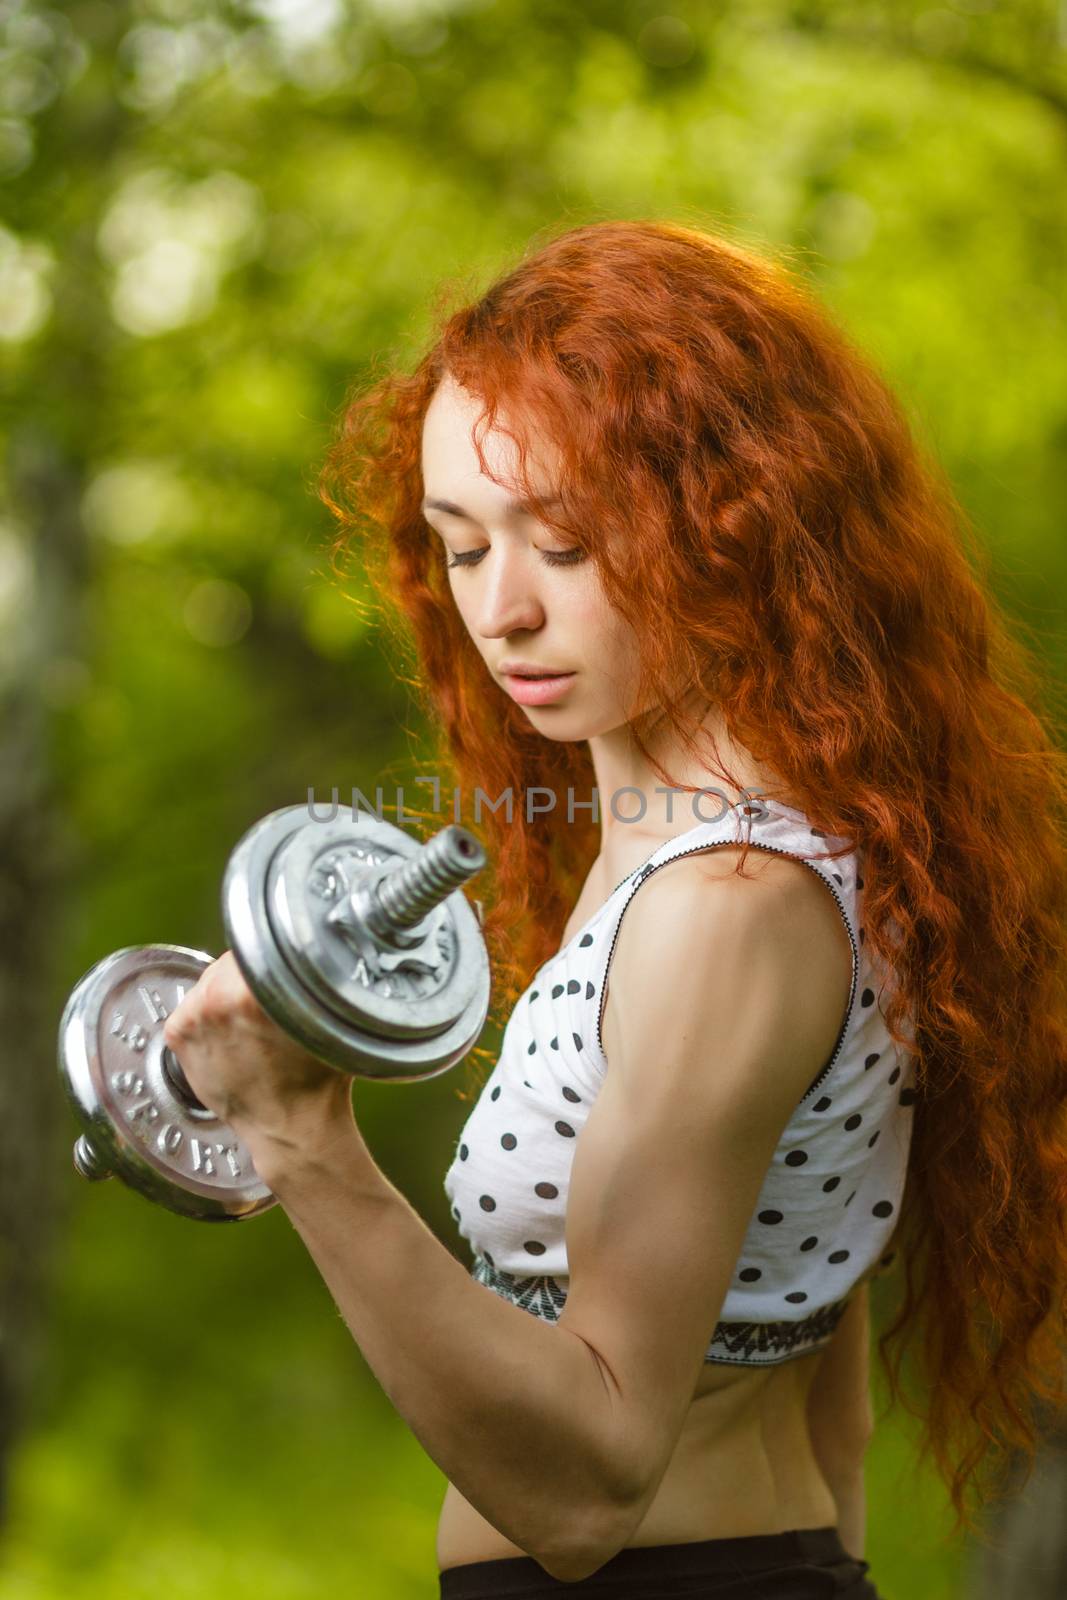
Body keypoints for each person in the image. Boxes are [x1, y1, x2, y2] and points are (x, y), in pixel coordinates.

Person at [164, 220, 1067, 1598]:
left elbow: (587, 1496)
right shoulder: (733, 847)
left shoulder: (728, 904)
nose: (502, 610)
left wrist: (299, 1138)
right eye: (462, 547)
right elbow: (830, 1390)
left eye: (568, 542)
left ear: (732, 523)